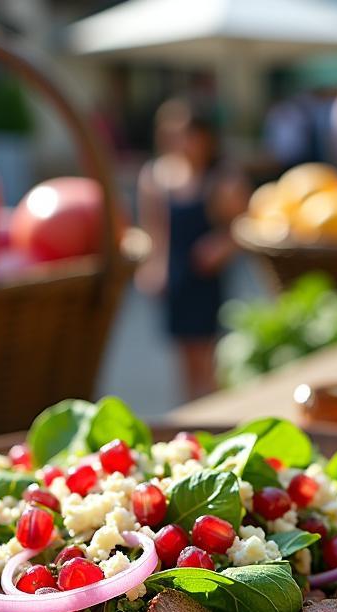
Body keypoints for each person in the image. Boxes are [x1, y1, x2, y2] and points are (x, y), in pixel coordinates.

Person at [136, 100, 249, 400]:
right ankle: (192, 413)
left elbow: (244, 227)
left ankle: (214, 410)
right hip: (177, 277)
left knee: (209, 356)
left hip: (207, 280)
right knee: (184, 356)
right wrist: (152, 267)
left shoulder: (222, 178)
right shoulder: (157, 176)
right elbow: (155, 230)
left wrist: (221, 246)